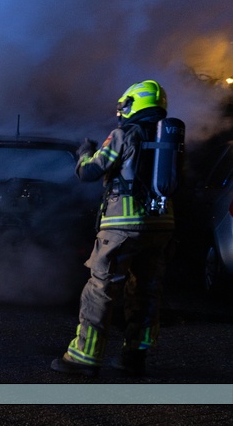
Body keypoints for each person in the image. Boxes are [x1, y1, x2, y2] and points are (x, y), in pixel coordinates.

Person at [51, 80, 177, 377]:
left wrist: (85, 152)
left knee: (101, 289)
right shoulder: (170, 138)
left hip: (123, 226)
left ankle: (84, 357)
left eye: (124, 106)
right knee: (146, 291)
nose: (121, 112)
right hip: (161, 225)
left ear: (134, 104)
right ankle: (135, 357)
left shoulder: (123, 134)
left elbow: (90, 171)